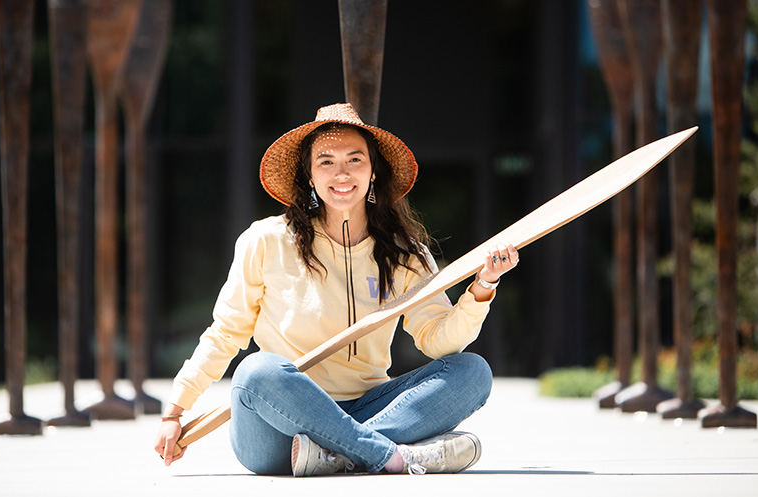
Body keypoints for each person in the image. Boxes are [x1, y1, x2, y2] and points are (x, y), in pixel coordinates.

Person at [153, 103, 519, 476]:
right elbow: (225, 334)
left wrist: (483, 287)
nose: (341, 173)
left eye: (354, 159)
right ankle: (389, 455)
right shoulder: (265, 240)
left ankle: (343, 455)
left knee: (472, 371)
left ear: (373, 171)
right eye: (326, 161)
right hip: (280, 430)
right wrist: (174, 411)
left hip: (371, 408)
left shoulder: (406, 253)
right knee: (256, 370)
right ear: (309, 176)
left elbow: (438, 342)